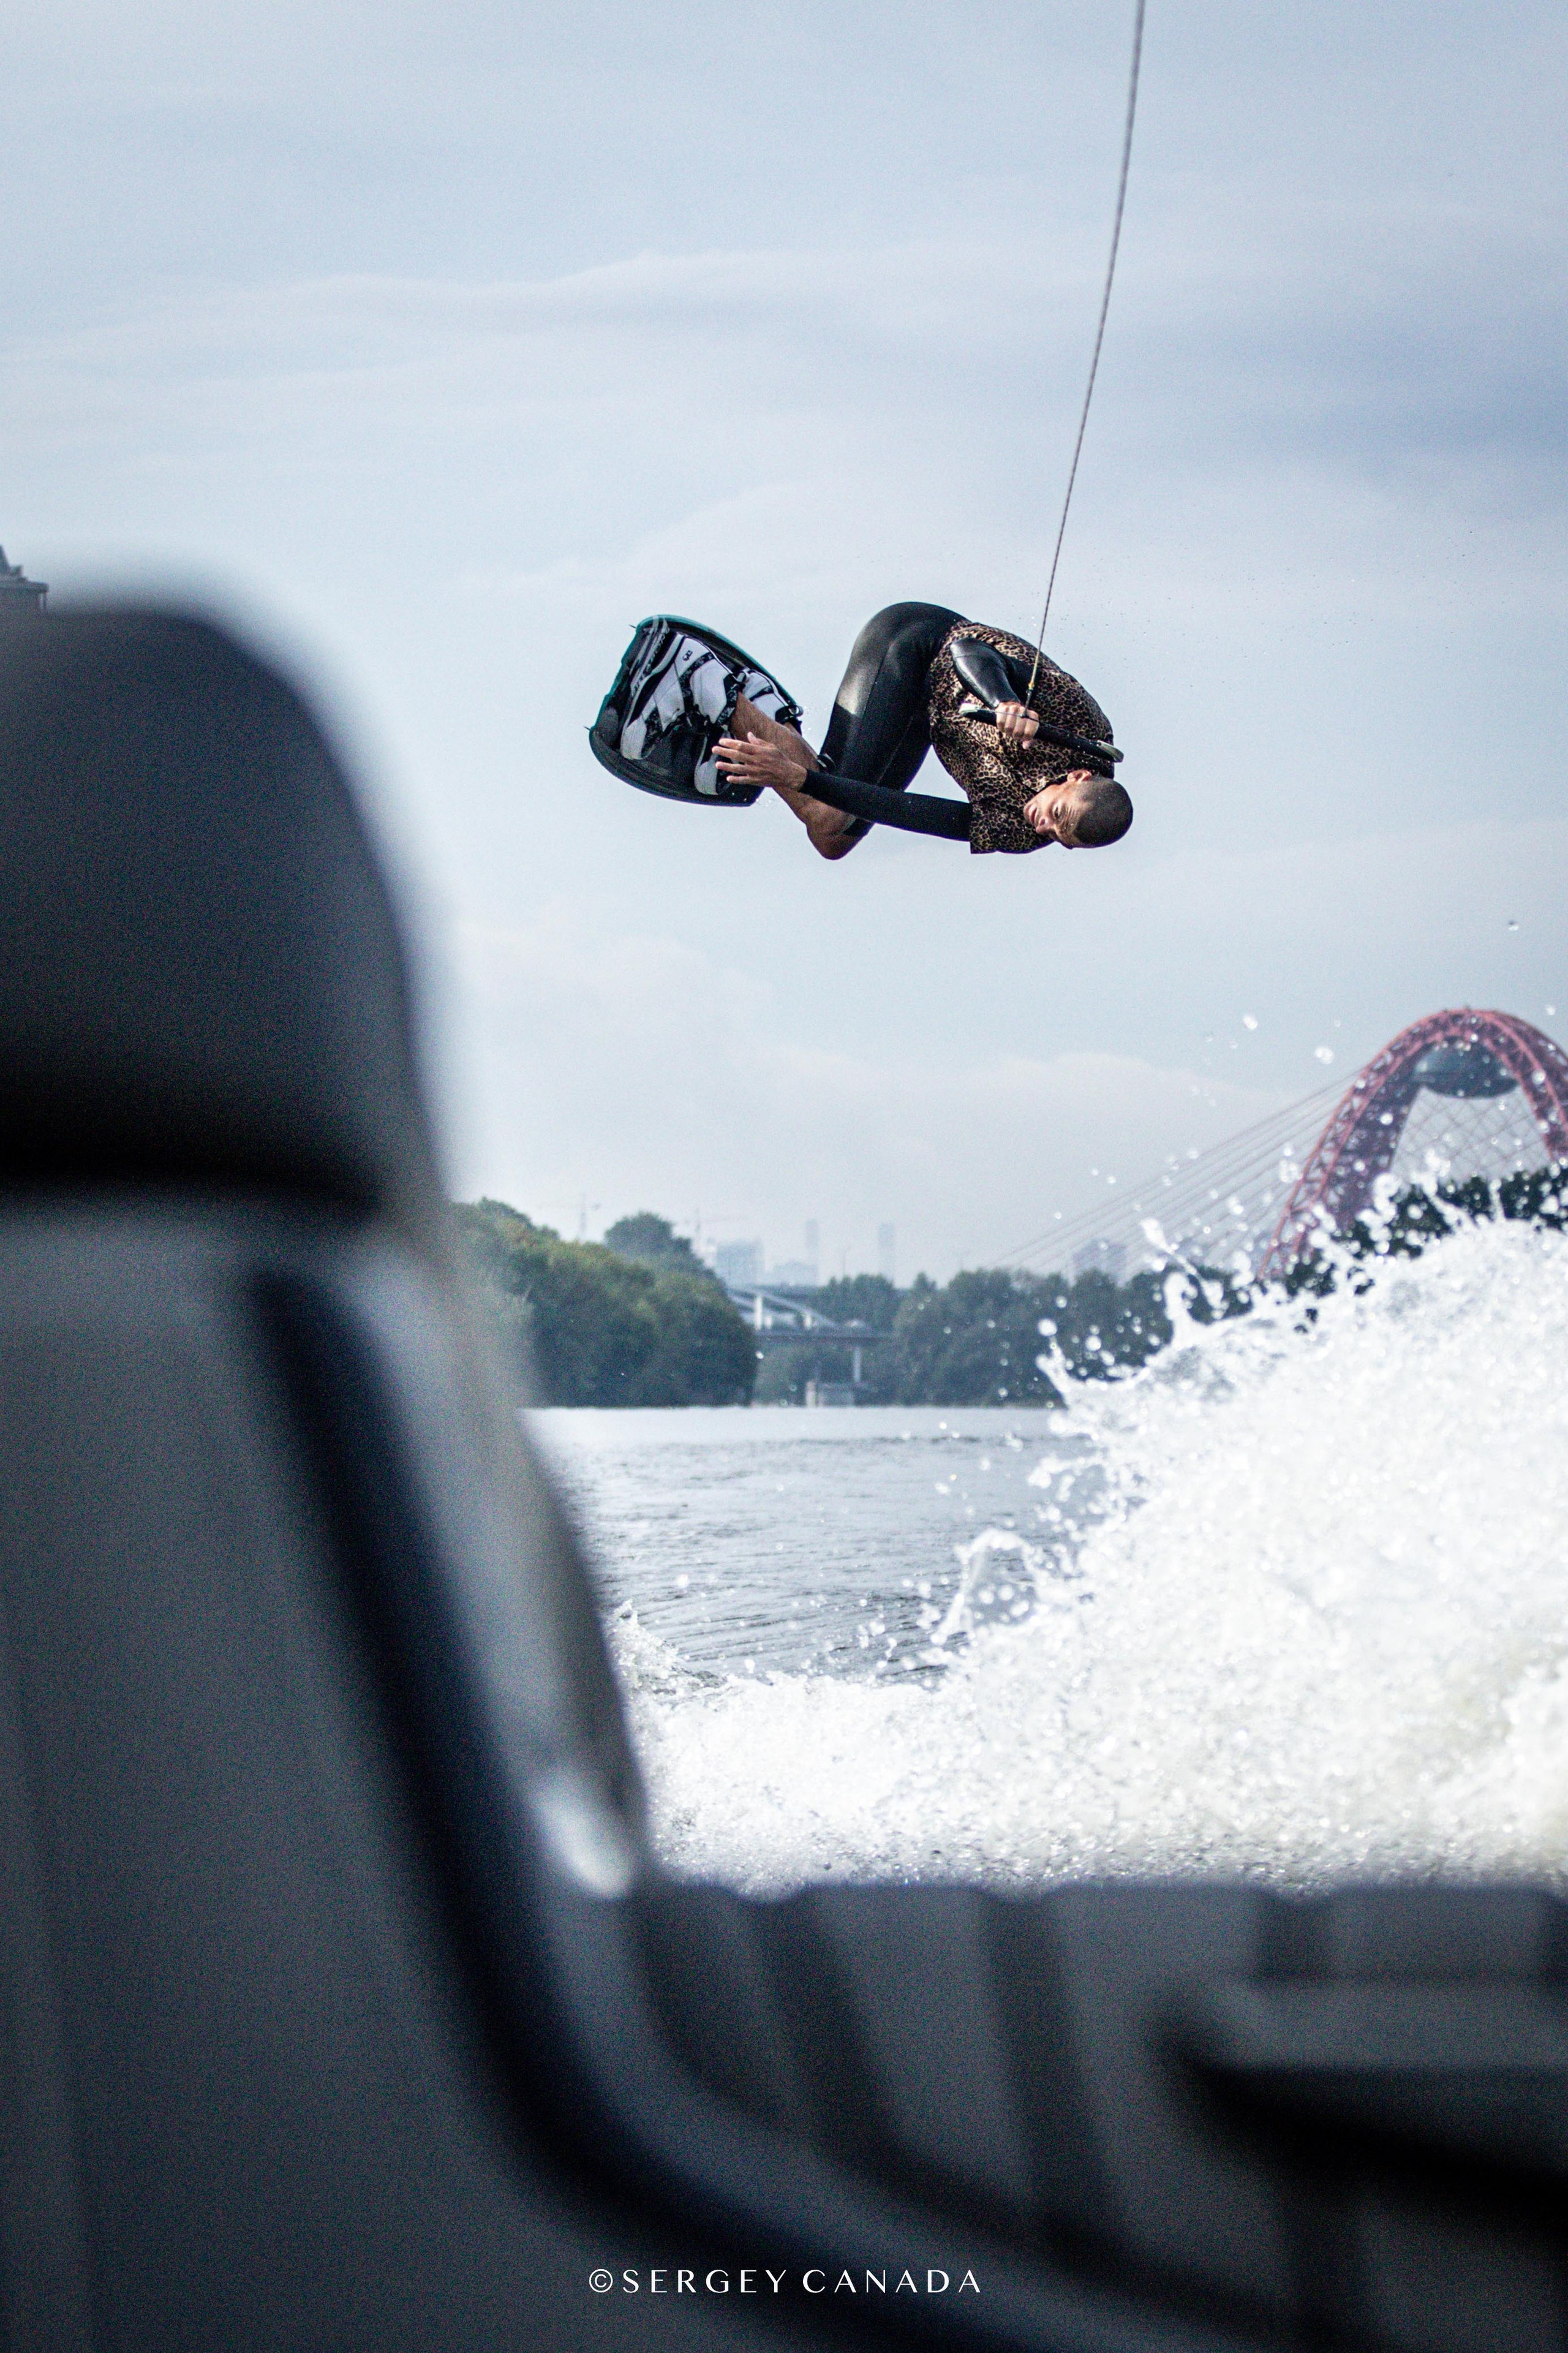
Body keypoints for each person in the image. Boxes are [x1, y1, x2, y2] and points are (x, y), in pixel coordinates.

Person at [714, 602, 1132, 861]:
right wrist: (1002, 700)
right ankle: (714, 691)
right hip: (917, 644)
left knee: (832, 842)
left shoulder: (1028, 829)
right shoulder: (1083, 726)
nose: (1043, 826)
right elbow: (967, 649)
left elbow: (912, 811)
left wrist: (798, 777)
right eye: (1057, 815)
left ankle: (757, 709)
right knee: (826, 814)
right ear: (1079, 778)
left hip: (927, 713)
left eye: (1058, 838)